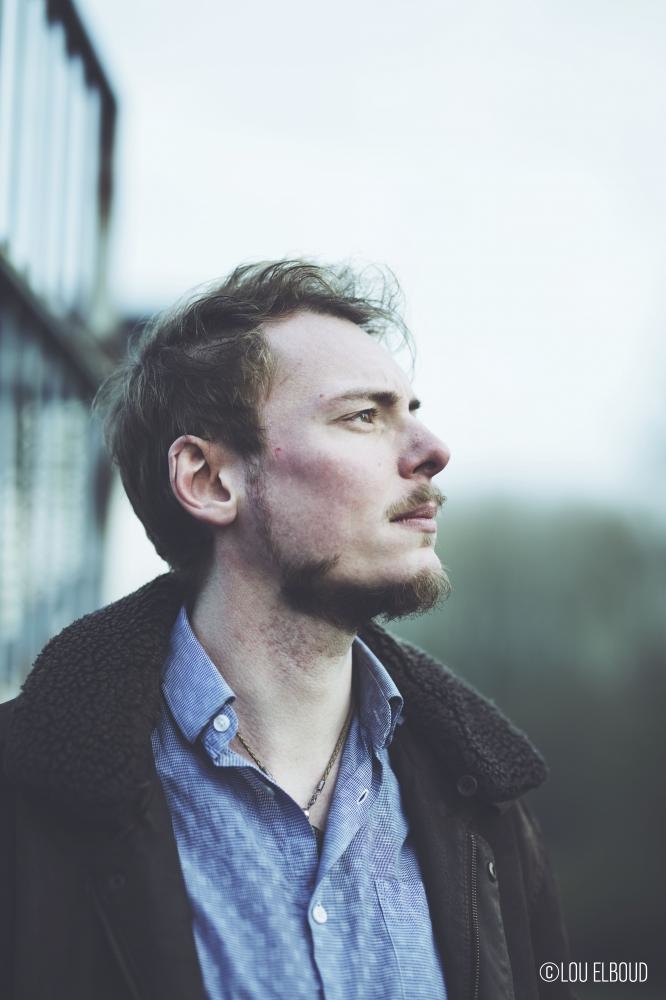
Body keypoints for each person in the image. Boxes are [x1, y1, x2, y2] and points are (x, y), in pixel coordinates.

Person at [0, 261, 574, 999]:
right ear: (209, 480)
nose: (432, 450)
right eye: (363, 416)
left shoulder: (487, 808)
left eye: (410, 411)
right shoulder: (26, 802)